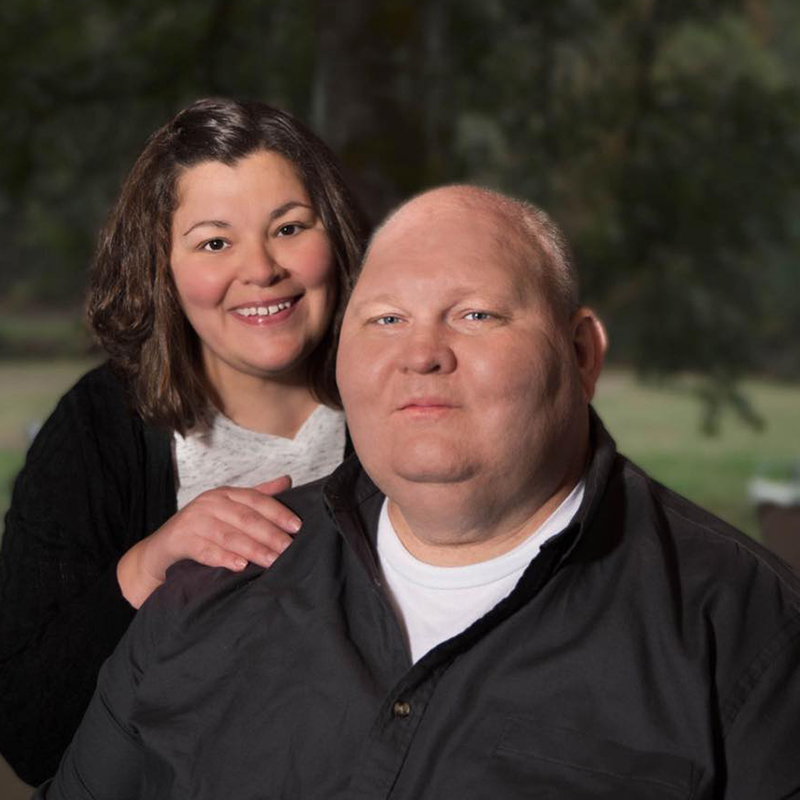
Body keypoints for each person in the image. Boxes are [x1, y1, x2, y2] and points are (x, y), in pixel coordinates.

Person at [37, 186, 800, 798]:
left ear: (580, 355)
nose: (422, 355)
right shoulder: (213, 584)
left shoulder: (749, 634)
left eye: (474, 315)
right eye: (387, 319)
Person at [0, 97, 369, 785]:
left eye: (289, 228)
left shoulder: (400, 406)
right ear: (160, 265)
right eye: (214, 242)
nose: (261, 269)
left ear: (337, 235)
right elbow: (27, 732)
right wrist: (151, 562)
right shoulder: (95, 433)